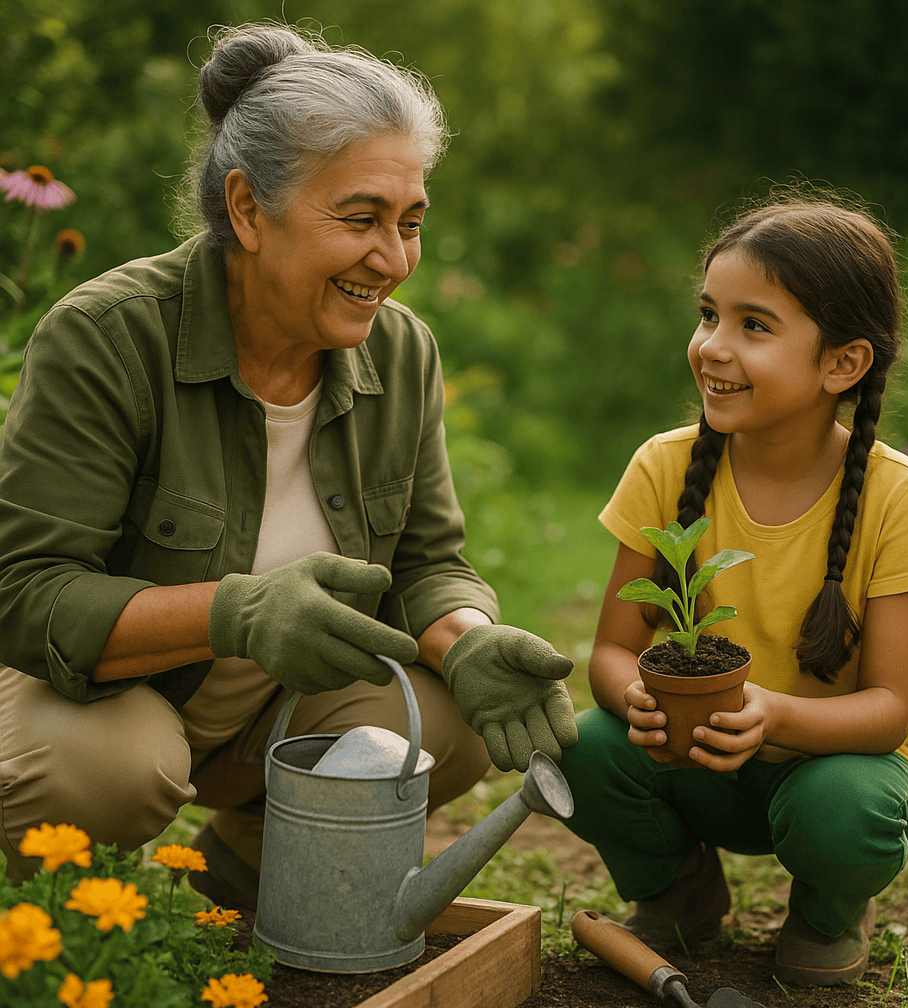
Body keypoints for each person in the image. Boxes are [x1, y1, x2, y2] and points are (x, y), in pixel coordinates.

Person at [0, 23, 577, 910]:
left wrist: (468, 637)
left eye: (411, 223)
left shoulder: (403, 353)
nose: (393, 260)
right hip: (101, 700)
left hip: (263, 717)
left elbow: (427, 562)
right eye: (361, 219)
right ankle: (49, 919)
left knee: (446, 721)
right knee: (107, 770)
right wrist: (236, 613)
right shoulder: (108, 337)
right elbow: (25, 593)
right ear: (246, 210)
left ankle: (240, 868)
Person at [557, 192, 908, 986]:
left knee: (844, 811)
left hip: (835, 768)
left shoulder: (902, 497)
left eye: (754, 325)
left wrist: (774, 715)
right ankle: (679, 889)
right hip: (698, 756)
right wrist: (634, 697)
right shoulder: (664, 466)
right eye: (709, 315)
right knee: (584, 745)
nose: (712, 346)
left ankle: (827, 909)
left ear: (843, 363)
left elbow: (888, 710)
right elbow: (613, 650)